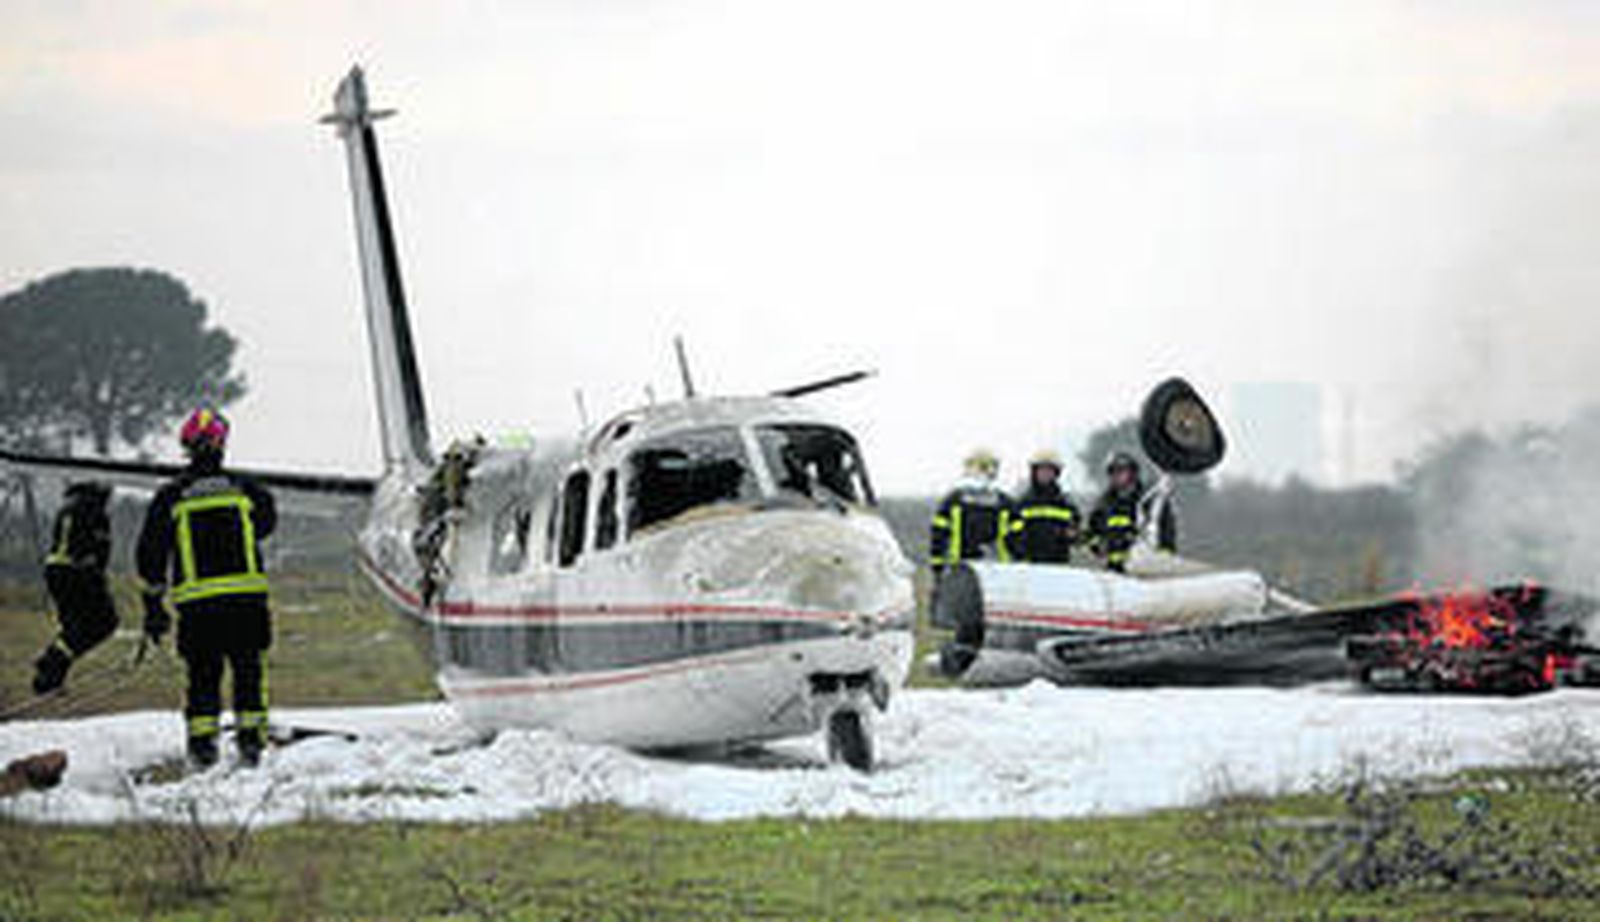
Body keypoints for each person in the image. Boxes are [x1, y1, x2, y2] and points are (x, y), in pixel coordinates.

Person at [137, 408, 277, 768]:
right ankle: (251, 750)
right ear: (221, 443)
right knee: (249, 676)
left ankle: (202, 752)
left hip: (199, 612)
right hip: (246, 607)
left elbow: (150, 554)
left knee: (202, 681)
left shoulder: (171, 497)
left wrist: (154, 606)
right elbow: (265, 525)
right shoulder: (249, 491)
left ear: (187, 447)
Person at [31, 481, 118, 694]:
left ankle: (50, 678)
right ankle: (51, 660)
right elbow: (98, 551)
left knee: (73, 628)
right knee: (105, 622)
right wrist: (97, 578)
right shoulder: (94, 511)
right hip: (78, 572)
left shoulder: (67, 508)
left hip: (55, 571)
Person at [1088, 451, 1175, 572]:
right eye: (1113, 472)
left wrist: (1165, 554)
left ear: (1133, 473)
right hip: (1112, 569)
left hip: (1144, 566)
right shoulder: (1103, 504)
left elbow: (1164, 527)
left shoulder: (1145, 500)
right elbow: (1092, 531)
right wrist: (1096, 545)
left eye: (1122, 471)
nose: (1117, 476)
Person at [928, 448, 1014, 572]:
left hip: (999, 569)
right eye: (983, 468)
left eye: (991, 468)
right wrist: (938, 565)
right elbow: (938, 534)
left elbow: (1017, 538)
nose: (988, 473)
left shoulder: (1005, 503)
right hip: (959, 567)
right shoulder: (953, 502)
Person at [1007, 450, 1080, 564]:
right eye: (1042, 470)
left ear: (1056, 473)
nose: (1045, 474)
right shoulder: (1023, 503)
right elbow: (1013, 533)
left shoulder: (1065, 504)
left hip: (1059, 563)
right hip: (1029, 564)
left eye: (1049, 470)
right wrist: (1020, 552)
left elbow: (1076, 532)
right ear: (1034, 472)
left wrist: (1069, 535)